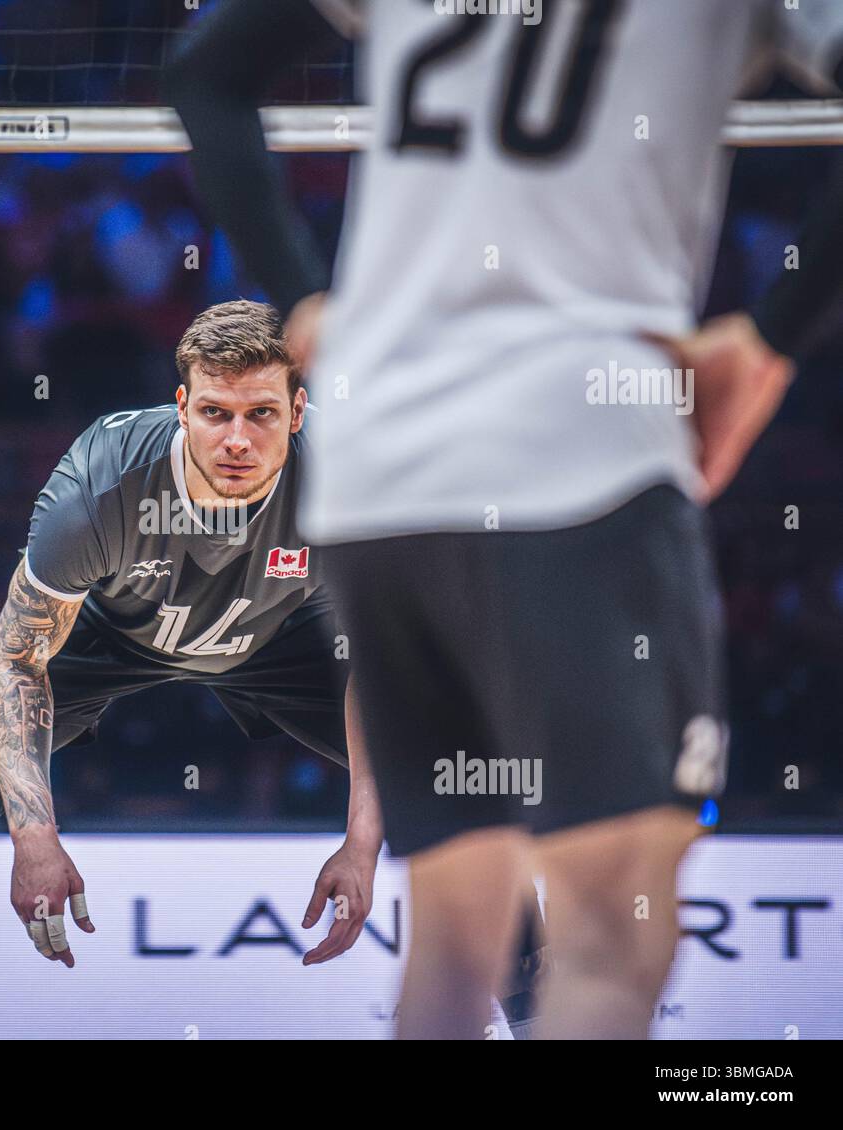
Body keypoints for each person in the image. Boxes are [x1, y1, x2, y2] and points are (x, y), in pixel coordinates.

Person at [168, 0, 843, 1037]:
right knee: (610, 946)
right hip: (579, 448)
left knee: (452, 947)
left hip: (375, 465)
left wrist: (304, 301)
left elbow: (205, 69)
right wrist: (769, 340)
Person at [0, 300, 541, 1038]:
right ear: (182, 407)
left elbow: (383, 671)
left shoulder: (348, 482)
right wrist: (35, 836)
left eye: (262, 415)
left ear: (300, 411)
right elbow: (17, 658)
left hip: (278, 630)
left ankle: (540, 1021)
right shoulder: (99, 489)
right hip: (104, 632)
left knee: (451, 779)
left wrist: (364, 842)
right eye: (216, 412)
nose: (237, 438)